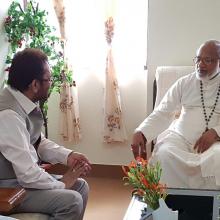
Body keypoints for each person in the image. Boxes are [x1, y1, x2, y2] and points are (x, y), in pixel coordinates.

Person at [131, 40, 220, 219]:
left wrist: (216, 131)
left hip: (213, 143)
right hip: (180, 136)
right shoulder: (184, 83)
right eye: (198, 59)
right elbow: (163, 112)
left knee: (217, 158)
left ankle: (207, 207)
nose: (200, 65)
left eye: (208, 60)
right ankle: (172, 206)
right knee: (164, 154)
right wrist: (141, 132)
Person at [0, 48, 91, 220]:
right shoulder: (8, 115)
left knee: (81, 187)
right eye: (49, 79)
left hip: (18, 179)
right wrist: (61, 184)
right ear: (35, 85)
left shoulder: (22, 102)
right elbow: (27, 174)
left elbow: (37, 141)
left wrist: (69, 156)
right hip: (6, 187)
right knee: (72, 201)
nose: (52, 83)